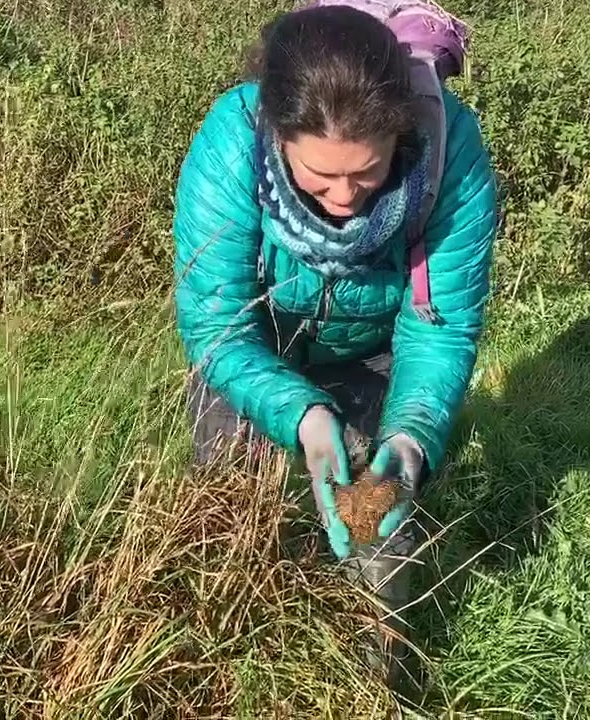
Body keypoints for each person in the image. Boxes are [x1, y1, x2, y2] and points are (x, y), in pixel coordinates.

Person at [170, 0, 499, 642]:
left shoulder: (449, 152)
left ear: (402, 131)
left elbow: (439, 327)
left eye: (368, 171)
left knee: (379, 512)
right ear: (276, 133)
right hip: (255, 350)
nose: (345, 198)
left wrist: (410, 438)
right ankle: (236, 638)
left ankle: (374, 660)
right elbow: (217, 327)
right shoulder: (232, 141)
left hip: (376, 351)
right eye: (320, 177)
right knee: (230, 500)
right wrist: (305, 416)